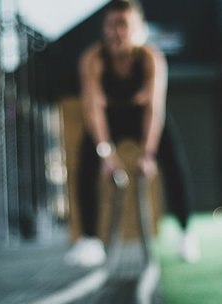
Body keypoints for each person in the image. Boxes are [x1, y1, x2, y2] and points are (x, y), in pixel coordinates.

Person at [65, 0, 200, 266]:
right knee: (85, 162)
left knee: (174, 162)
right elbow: (93, 110)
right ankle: (90, 241)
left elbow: (154, 109)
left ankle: (186, 234)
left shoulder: (150, 58)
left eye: (123, 25)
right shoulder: (93, 59)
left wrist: (148, 155)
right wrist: (106, 153)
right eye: (111, 25)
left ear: (138, 28)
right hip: (110, 118)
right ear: (104, 29)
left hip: (142, 118)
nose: (117, 32)